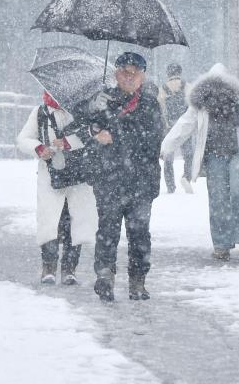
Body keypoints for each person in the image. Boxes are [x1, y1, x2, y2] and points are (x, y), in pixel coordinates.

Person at [161, 63, 239, 260]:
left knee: (236, 192)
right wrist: (166, 147)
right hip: (214, 156)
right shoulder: (201, 103)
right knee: (217, 198)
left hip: (238, 154)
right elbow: (184, 125)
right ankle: (221, 244)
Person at [72, 52, 163, 302]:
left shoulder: (150, 104)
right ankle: (104, 276)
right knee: (107, 231)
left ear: (143, 76)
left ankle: (137, 281)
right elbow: (80, 125)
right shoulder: (105, 99)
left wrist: (114, 135)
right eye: (124, 71)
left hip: (141, 181)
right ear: (116, 74)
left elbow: (151, 139)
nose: (129, 76)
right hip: (108, 178)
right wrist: (92, 112)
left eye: (134, 72)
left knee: (139, 233)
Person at [16, 91, 97, 285]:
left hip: (79, 176)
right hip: (50, 175)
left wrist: (70, 142)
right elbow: (23, 139)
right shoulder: (40, 112)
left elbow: (94, 135)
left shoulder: (82, 111)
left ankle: (70, 268)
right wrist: (39, 148)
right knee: (49, 222)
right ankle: (49, 267)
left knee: (75, 222)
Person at [157, 63, 193, 194]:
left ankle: (170, 186)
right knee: (189, 155)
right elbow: (193, 108)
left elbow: (160, 111)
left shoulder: (162, 89)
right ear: (180, 72)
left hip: (169, 128)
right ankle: (186, 177)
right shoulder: (188, 87)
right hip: (185, 128)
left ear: (168, 74)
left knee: (168, 158)